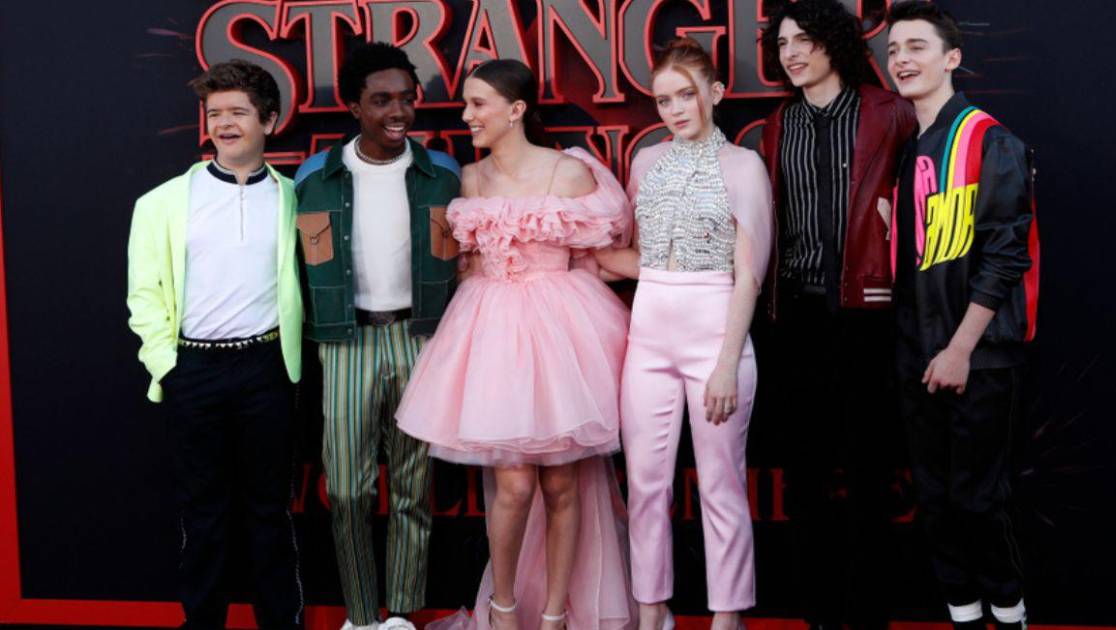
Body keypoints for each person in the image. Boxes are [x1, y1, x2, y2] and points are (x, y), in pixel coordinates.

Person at [394, 58, 636, 630]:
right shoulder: (470, 179)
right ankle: (502, 609)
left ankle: (554, 615)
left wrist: (687, 276)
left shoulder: (568, 173)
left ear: (516, 110)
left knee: (562, 482)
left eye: (478, 104)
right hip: (493, 333)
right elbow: (465, 264)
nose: (467, 115)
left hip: (561, 333)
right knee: (513, 482)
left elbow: (602, 256)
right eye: (467, 103)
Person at [594, 37, 773, 630]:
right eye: (663, 100)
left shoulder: (743, 166)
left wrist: (726, 364)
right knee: (645, 485)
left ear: (714, 93)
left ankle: (727, 617)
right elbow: (642, 258)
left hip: (717, 337)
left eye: (686, 95)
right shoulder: (645, 162)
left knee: (721, 485)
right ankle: (652, 612)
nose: (674, 109)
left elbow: (749, 275)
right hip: (648, 338)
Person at [126, 59, 304, 630]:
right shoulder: (161, 203)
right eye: (215, 113)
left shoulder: (295, 198)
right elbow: (143, 296)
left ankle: (282, 623)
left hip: (267, 368)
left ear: (269, 121)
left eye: (238, 113)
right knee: (204, 516)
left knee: (269, 514)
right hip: (194, 370)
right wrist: (168, 366)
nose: (224, 124)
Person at [292, 43, 461, 630]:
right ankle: (362, 616)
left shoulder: (443, 175)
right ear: (354, 106)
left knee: (413, 488)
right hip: (345, 340)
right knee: (345, 490)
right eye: (382, 100)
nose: (398, 112)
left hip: (419, 337)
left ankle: (402, 614)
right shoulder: (314, 178)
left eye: (407, 100)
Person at [758, 1, 916, 626]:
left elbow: (929, 192)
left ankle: (870, 612)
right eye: (783, 43)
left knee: (870, 471)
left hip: (866, 316)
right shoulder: (779, 124)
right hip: (796, 318)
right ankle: (820, 613)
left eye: (805, 39)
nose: (792, 52)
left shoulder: (888, 112)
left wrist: (900, 220)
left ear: (835, 43)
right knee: (806, 474)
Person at [886, 2, 1040, 628]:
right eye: (893, 49)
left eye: (916, 46)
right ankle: (965, 617)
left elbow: (1005, 258)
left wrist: (959, 350)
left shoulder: (989, 139)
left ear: (952, 57)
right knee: (935, 501)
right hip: (917, 352)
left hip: (977, 355)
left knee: (978, 501)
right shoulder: (911, 150)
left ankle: (1009, 615)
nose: (902, 59)